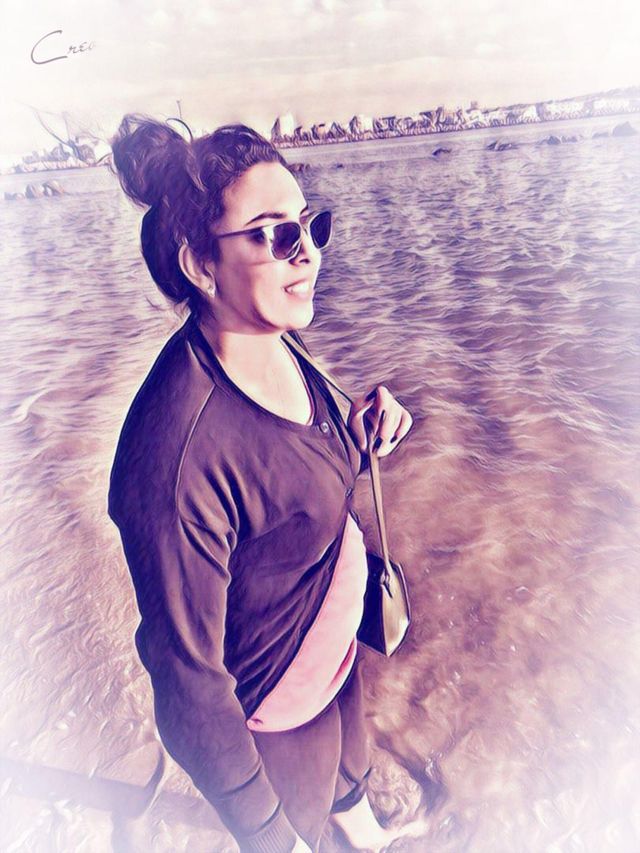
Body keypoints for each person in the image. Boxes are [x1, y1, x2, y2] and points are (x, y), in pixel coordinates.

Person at [106, 115, 415, 853]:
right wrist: (270, 832)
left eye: (310, 225)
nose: (308, 250)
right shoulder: (175, 456)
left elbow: (285, 468)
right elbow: (189, 687)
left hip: (328, 642)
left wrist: (361, 428)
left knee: (351, 777)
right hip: (275, 710)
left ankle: (367, 832)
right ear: (200, 263)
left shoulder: (276, 340)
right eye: (275, 234)